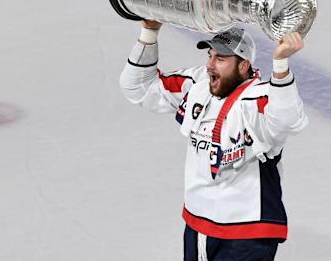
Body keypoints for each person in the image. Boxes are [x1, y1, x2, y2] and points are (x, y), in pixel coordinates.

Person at [119, 19, 308, 261]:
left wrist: (281, 65)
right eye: (210, 56)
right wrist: (149, 31)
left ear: (243, 65)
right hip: (198, 225)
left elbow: (288, 120)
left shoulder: (260, 97)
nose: (210, 65)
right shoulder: (198, 85)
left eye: (220, 59)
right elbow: (138, 88)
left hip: (247, 232)